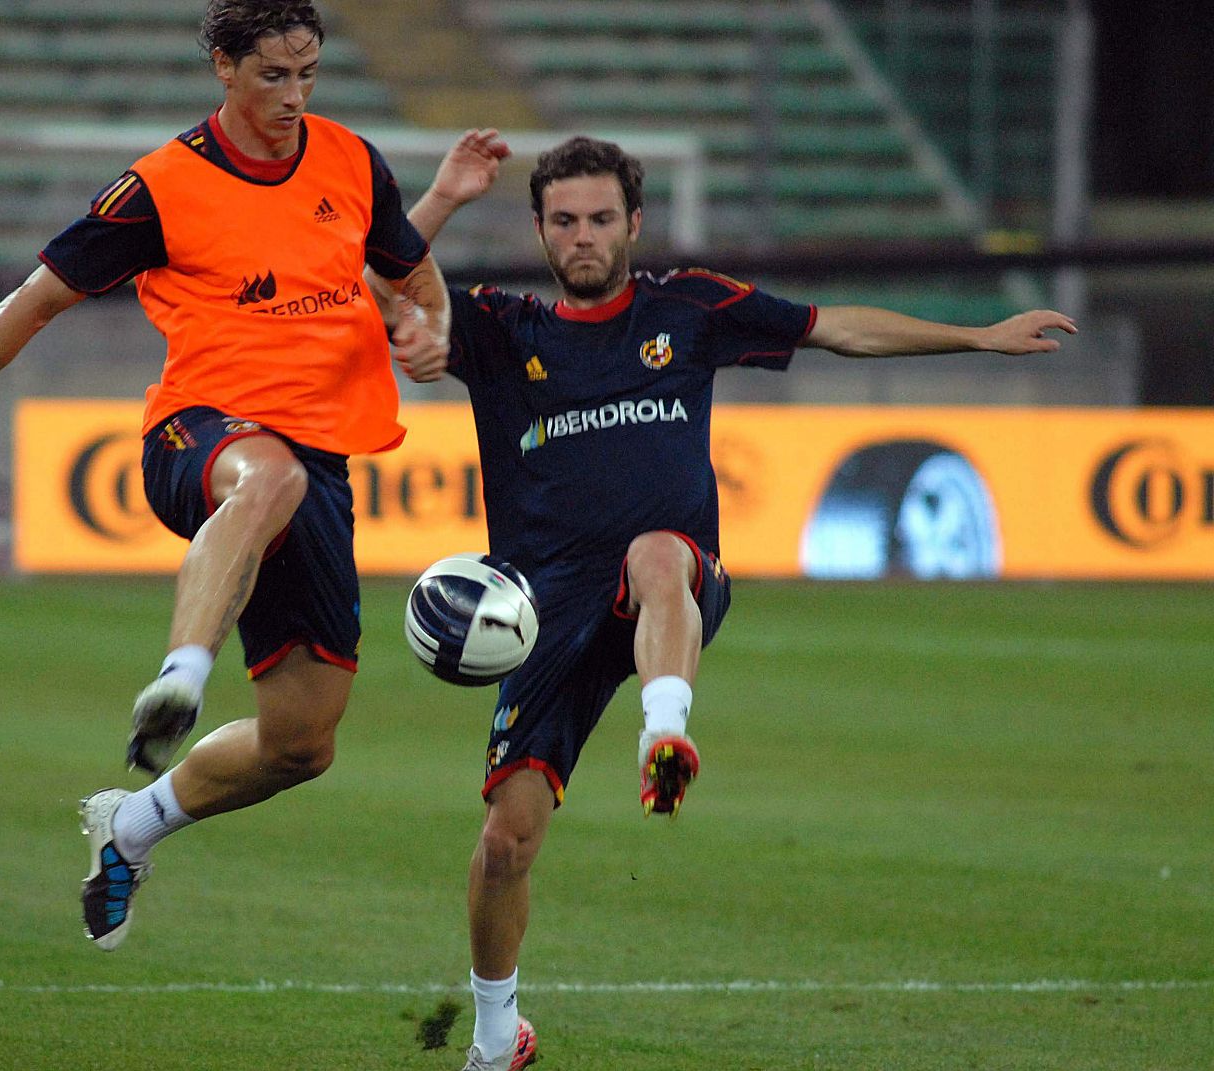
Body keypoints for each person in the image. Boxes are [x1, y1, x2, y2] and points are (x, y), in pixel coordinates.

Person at [379, 130, 1076, 1071]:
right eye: (562, 222)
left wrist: (977, 336)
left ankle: (666, 729)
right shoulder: (506, 328)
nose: (582, 237)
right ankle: (499, 1036)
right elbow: (382, 292)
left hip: (669, 584)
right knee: (505, 839)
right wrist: (445, 199)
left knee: (658, 551)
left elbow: (834, 326)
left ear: (634, 221)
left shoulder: (690, 307)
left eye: (598, 218)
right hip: (542, 612)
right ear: (541, 232)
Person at [0, 0, 451, 952]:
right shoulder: (161, 186)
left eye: (308, 74)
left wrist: (425, 329)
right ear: (223, 69)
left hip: (322, 453)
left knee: (303, 742)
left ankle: (134, 823)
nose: (294, 95)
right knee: (268, 481)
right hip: (199, 435)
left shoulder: (351, 161)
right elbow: (34, 303)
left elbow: (414, 273)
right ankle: (181, 674)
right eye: (273, 75)